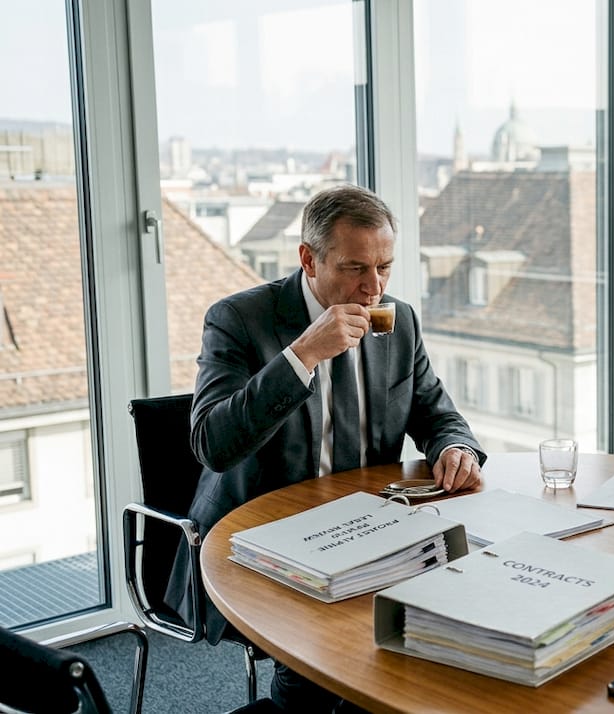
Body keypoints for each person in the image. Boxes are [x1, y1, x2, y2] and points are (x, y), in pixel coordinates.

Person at [168, 184, 485, 710]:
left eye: (385, 266)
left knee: (457, 610)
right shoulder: (239, 319)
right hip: (261, 537)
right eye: (356, 268)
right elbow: (213, 446)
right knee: (329, 655)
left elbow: (437, 413)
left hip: (370, 527)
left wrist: (457, 447)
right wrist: (303, 354)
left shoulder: (398, 320)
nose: (373, 287)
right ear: (308, 260)